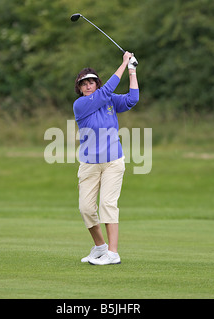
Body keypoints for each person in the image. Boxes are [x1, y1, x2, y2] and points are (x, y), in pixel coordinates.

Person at [73, 51, 139, 265]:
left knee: (108, 204)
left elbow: (132, 99)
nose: (88, 86)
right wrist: (122, 63)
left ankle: (113, 253)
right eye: (84, 84)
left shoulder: (108, 99)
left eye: (92, 82)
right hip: (89, 164)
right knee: (85, 208)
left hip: (113, 161)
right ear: (80, 89)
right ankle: (100, 247)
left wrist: (132, 71)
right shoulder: (81, 105)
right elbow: (107, 90)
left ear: (96, 83)